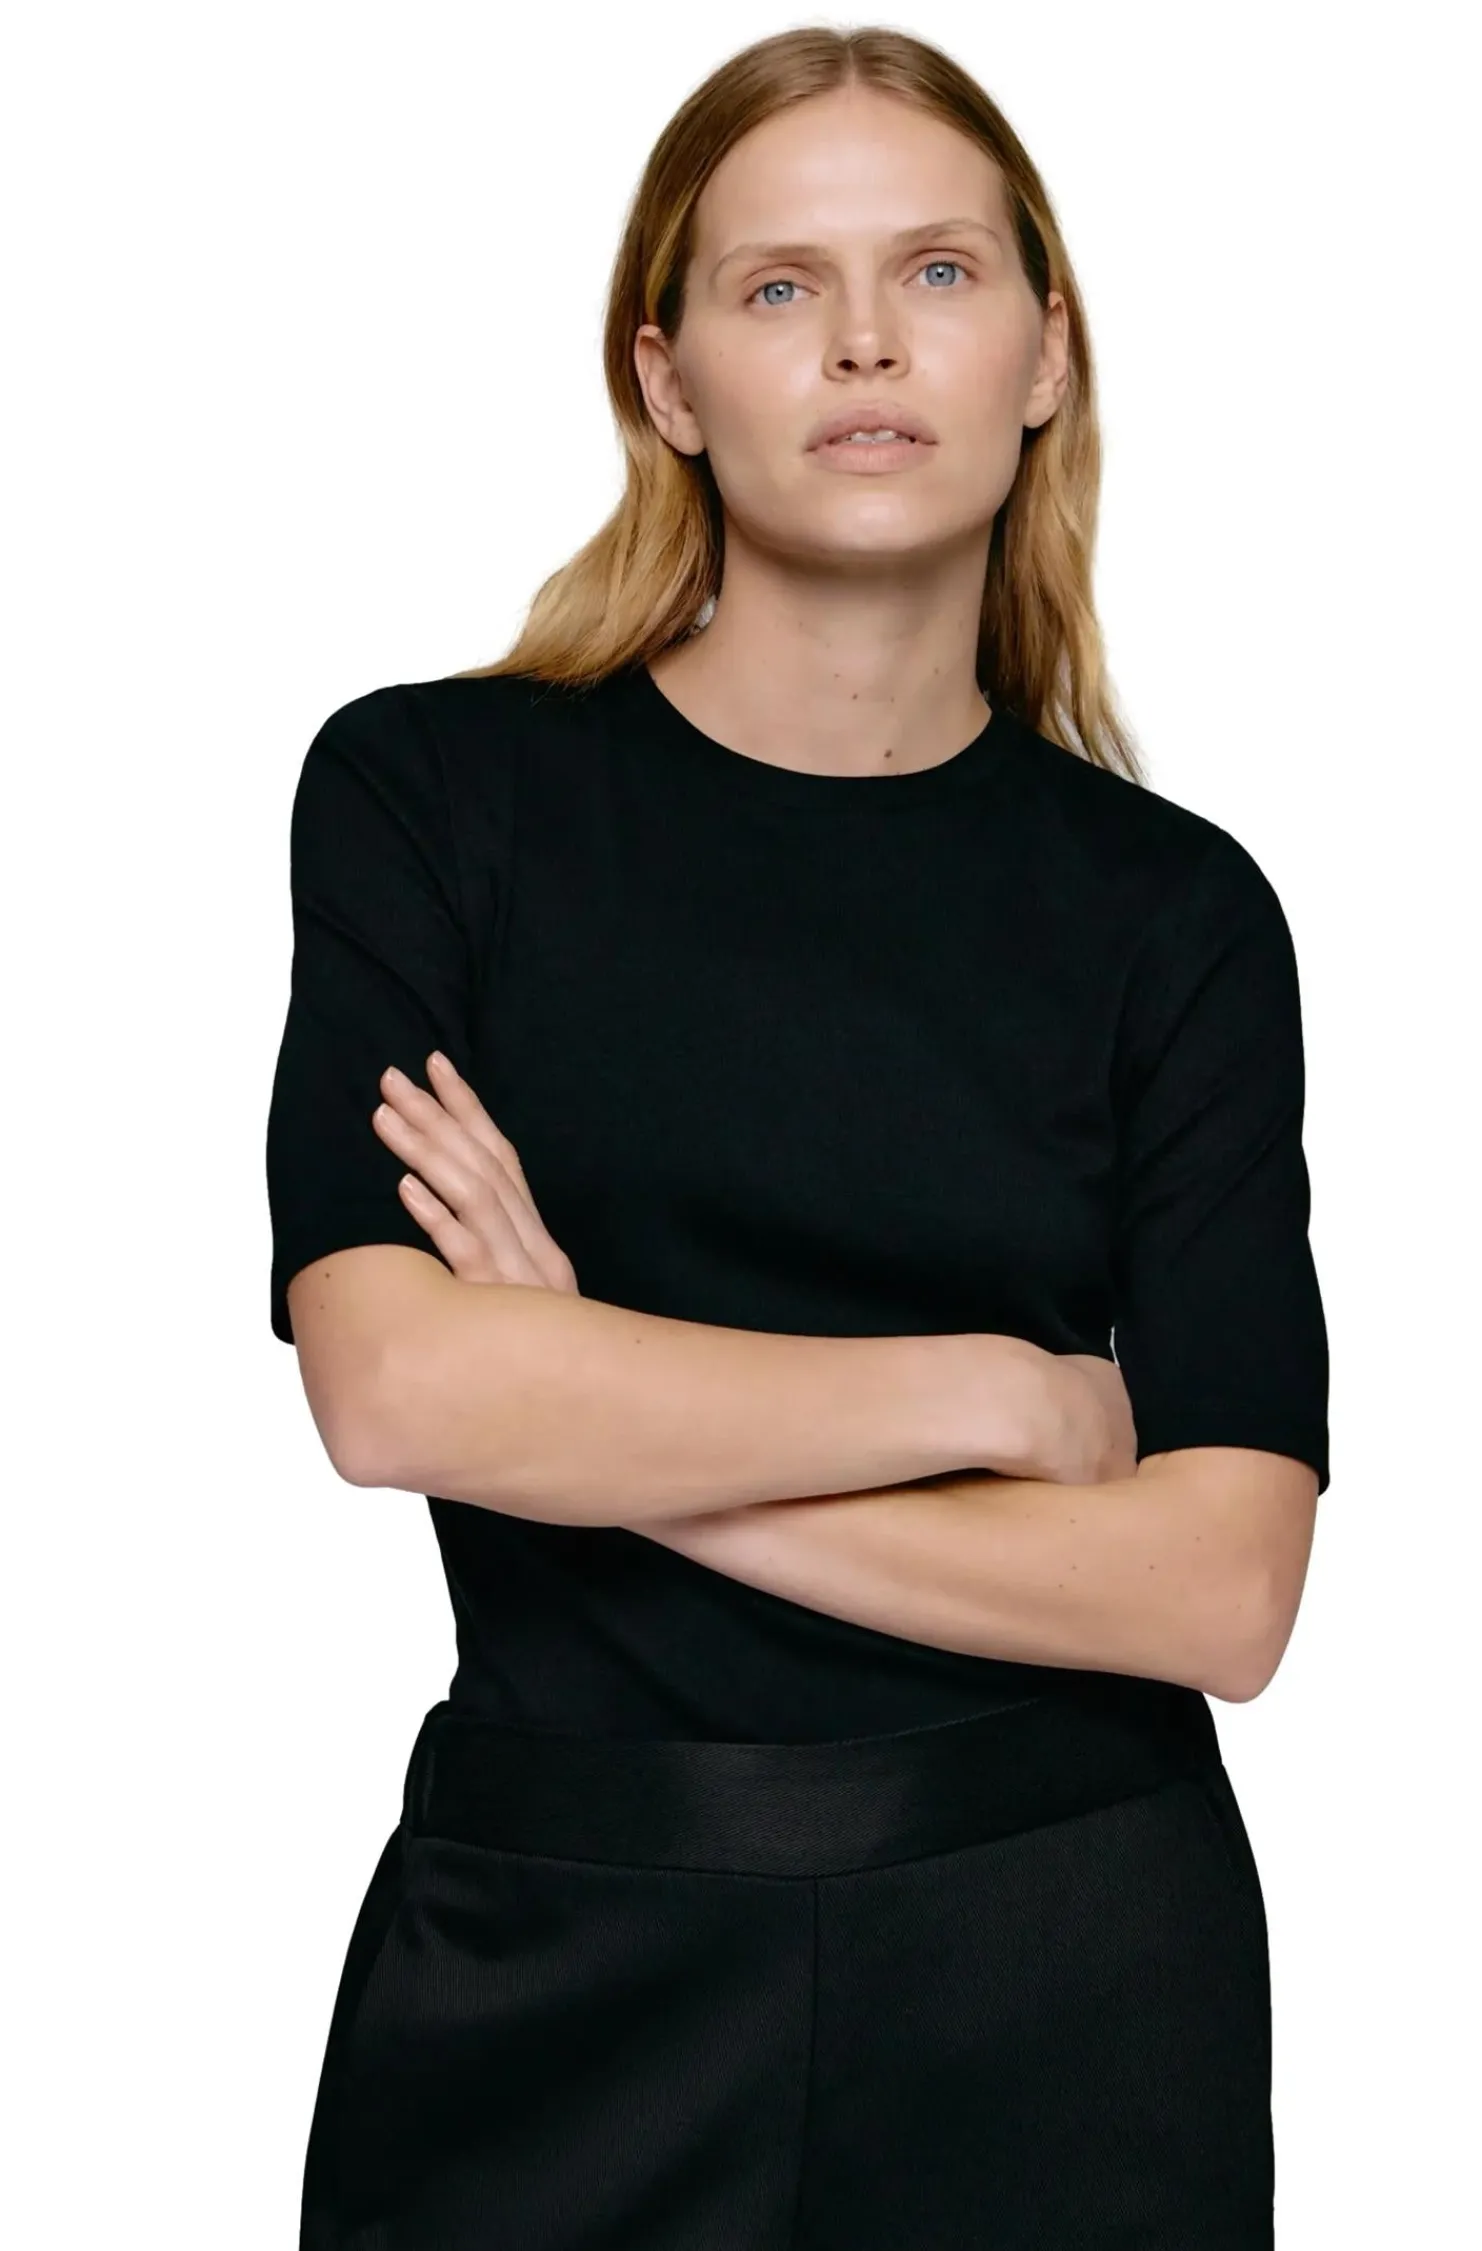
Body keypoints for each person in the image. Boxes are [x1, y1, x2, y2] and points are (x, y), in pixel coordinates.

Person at [266, 23, 1329, 2249]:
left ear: (1046, 354)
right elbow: (398, 1392)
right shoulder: (435, 801)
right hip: (553, 1951)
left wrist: (601, 1411)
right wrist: (1002, 1401)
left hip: (1069, 1971)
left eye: (937, 271)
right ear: (665, 382)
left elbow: (1220, 1592)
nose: (864, 341)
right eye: (778, 286)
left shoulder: (1176, 914)